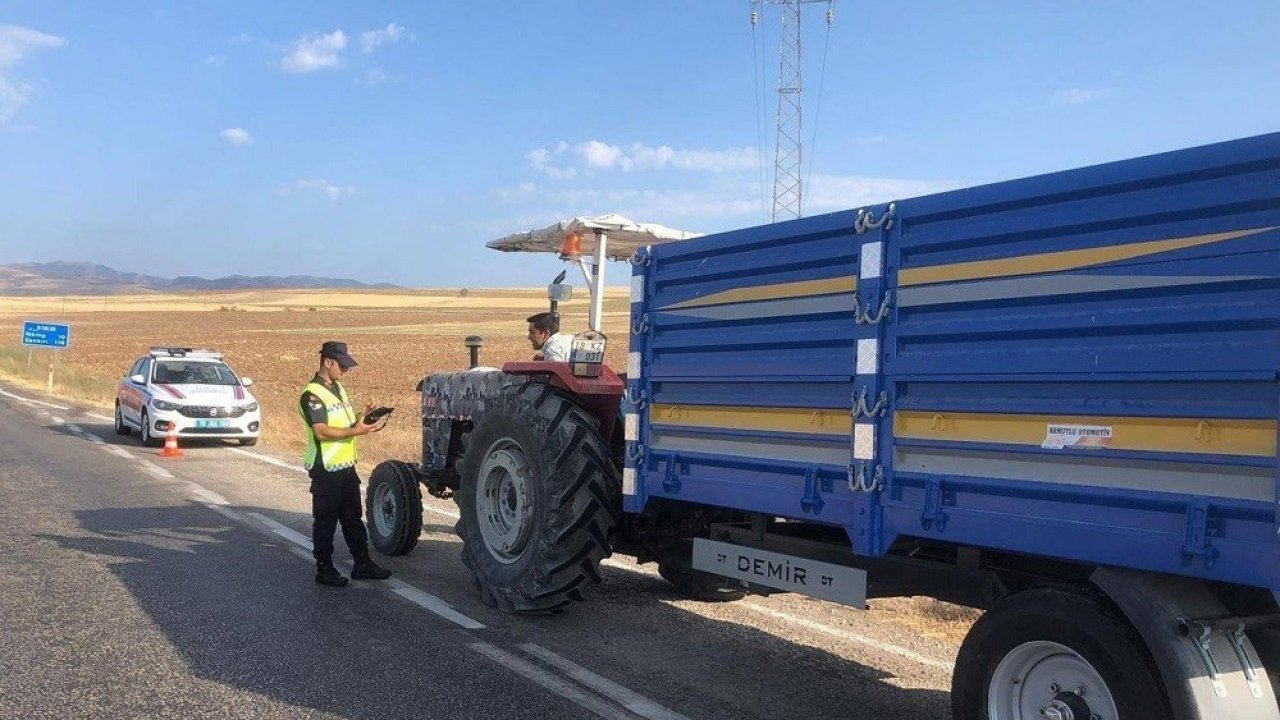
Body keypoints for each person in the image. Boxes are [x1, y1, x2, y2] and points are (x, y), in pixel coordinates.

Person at [299, 341, 393, 588]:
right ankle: (324, 569)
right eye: (342, 366)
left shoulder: (338, 388)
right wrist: (357, 431)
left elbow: (345, 422)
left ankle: (362, 564)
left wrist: (363, 417)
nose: (345, 370)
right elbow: (320, 432)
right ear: (327, 362)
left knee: (353, 517)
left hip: (345, 465)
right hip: (325, 468)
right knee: (326, 520)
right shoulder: (311, 395)